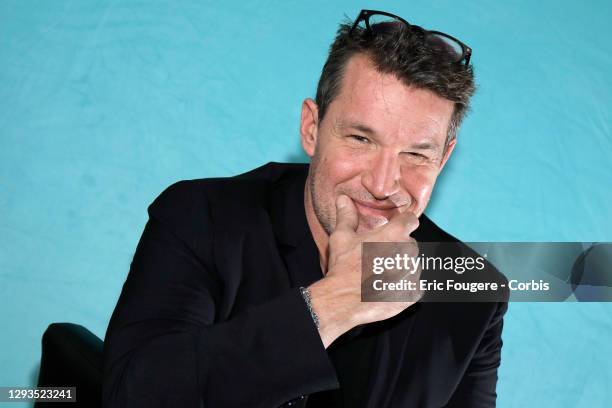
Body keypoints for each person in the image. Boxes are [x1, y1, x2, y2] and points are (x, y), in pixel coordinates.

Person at [103, 9, 508, 408]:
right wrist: (330, 306)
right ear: (312, 129)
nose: (382, 185)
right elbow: (130, 395)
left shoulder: (471, 289)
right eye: (360, 139)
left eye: (416, 155)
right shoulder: (201, 217)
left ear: (443, 158)